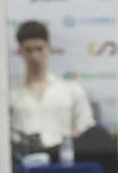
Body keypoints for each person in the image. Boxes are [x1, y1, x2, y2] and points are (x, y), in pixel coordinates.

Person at [8, 20, 96, 158]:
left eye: (39, 49)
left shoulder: (71, 89)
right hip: (25, 161)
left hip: (65, 160)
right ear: (20, 51)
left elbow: (86, 128)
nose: (34, 56)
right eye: (28, 50)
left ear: (49, 49)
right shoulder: (10, 95)